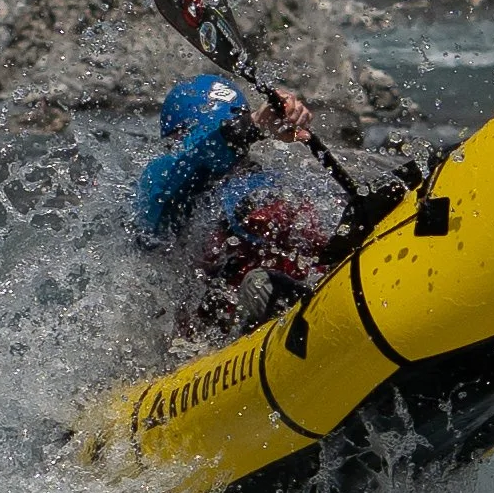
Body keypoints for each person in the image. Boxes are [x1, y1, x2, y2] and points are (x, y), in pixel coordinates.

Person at [134, 69, 351, 342]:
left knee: (284, 210)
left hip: (286, 283)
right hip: (206, 325)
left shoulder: (265, 186)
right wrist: (253, 126)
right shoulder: (162, 185)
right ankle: (266, 301)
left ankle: (309, 288)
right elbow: (181, 165)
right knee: (247, 212)